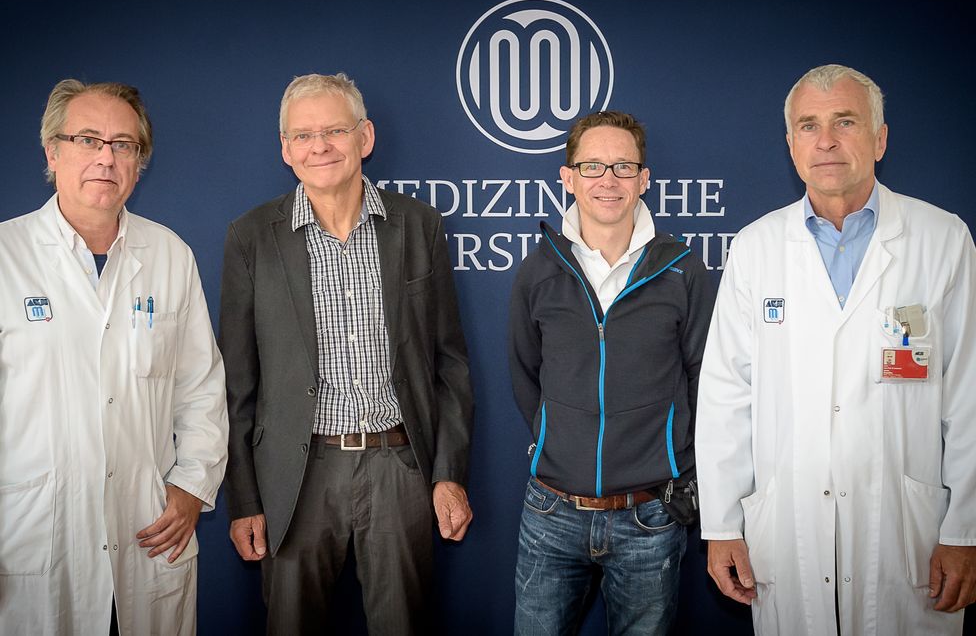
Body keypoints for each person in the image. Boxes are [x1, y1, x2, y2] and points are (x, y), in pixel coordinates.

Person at [696, 64, 976, 634]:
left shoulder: (942, 240)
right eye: (808, 125)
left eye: (845, 122)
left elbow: (969, 394)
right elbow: (726, 395)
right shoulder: (756, 248)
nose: (825, 140)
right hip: (788, 528)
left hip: (908, 531)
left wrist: (965, 530)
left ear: (880, 138)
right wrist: (721, 525)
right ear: (791, 144)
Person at [219, 73, 474, 635]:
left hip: (398, 467)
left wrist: (448, 473)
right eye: (303, 135)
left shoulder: (420, 225)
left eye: (334, 130)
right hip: (295, 478)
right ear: (286, 149)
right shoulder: (251, 237)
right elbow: (237, 386)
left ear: (365, 136)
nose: (320, 146)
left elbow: (450, 364)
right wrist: (245, 499)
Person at [0, 79, 228, 635]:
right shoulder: (7, 255)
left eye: (123, 144)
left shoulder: (170, 255)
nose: (106, 157)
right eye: (87, 139)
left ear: (138, 163)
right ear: (52, 152)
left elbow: (201, 389)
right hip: (31, 537)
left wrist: (191, 487)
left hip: (148, 531)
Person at [508, 110, 714, 635]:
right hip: (551, 512)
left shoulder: (682, 269)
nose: (608, 180)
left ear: (644, 179)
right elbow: (526, 373)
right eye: (592, 166)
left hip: (650, 517)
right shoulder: (539, 270)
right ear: (568, 177)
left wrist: (677, 465)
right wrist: (560, 443)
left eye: (623, 166)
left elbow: (703, 379)